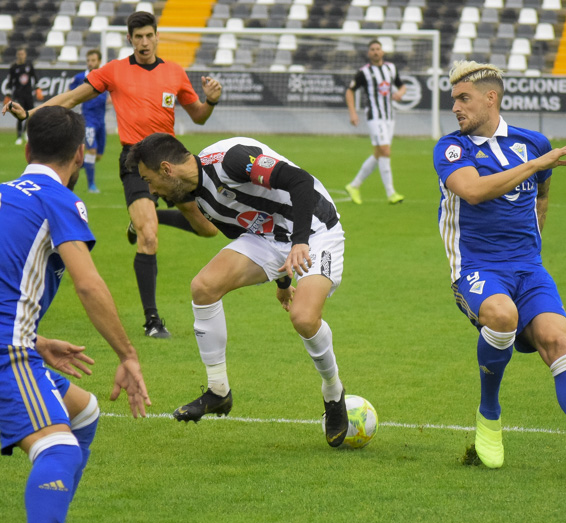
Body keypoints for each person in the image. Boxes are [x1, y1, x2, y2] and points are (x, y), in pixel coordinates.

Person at [0, 106, 150, 523]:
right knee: (55, 447)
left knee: (83, 413)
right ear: (81, 154)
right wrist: (127, 354)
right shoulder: (59, 200)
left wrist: (35, 339)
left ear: (27, 148)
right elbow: (89, 284)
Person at [431, 61, 566, 481]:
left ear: (491, 98)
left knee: (557, 339)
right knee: (502, 317)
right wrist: (535, 166)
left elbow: (543, 194)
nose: (455, 107)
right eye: (454, 99)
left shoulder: (532, 143)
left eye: (464, 98)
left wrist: (533, 241)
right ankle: (490, 413)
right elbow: (474, 192)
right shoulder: (452, 148)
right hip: (476, 268)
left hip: (528, 268)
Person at [3, 11, 223, 339]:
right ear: (129, 39)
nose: (145, 42)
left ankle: (149, 217)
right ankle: (152, 321)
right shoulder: (115, 71)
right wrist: (31, 113)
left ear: (157, 36)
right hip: (135, 159)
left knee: (208, 229)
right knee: (148, 239)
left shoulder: (175, 73)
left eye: (150, 36)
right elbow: (73, 98)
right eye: (139, 37)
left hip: (171, 160)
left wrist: (211, 101)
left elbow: (200, 116)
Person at [128, 133, 352, 448]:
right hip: (271, 238)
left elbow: (300, 182)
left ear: (166, 169)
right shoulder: (202, 200)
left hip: (315, 229)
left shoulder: (230, 160)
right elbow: (250, 231)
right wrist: (283, 281)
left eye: (149, 181)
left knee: (303, 318)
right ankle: (218, 391)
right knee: (203, 287)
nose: (151, 191)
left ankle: (333, 391)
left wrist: (299, 241)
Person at [344, 40, 407, 206]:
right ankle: (391, 193)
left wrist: (400, 92)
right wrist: (352, 112)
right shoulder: (364, 72)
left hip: (389, 116)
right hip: (374, 116)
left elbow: (401, 86)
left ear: (382, 52)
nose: (375, 52)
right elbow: (350, 91)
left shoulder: (391, 68)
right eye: (372, 49)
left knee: (380, 152)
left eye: (378, 49)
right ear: (368, 53)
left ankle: (354, 185)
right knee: (385, 150)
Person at [70, 49, 110, 194]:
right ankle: (91, 185)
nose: (90, 63)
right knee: (91, 151)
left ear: (99, 61)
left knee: (97, 156)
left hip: (101, 121)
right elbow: (70, 93)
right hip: (89, 120)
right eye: (88, 60)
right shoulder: (81, 78)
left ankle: (70, 168)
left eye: (93, 60)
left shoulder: (105, 77)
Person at [5, 48, 42, 146]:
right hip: (18, 95)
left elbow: (35, 77)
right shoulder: (14, 67)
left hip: (28, 94)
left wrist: (37, 88)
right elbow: (10, 82)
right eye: (19, 54)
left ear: (25, 55)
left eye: (22, 54)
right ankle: (19, 136)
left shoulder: (29, 65)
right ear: (17, 55)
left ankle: (26, 132)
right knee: (19, 116)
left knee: (30, 114)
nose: (21, 56)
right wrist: (8, 94)